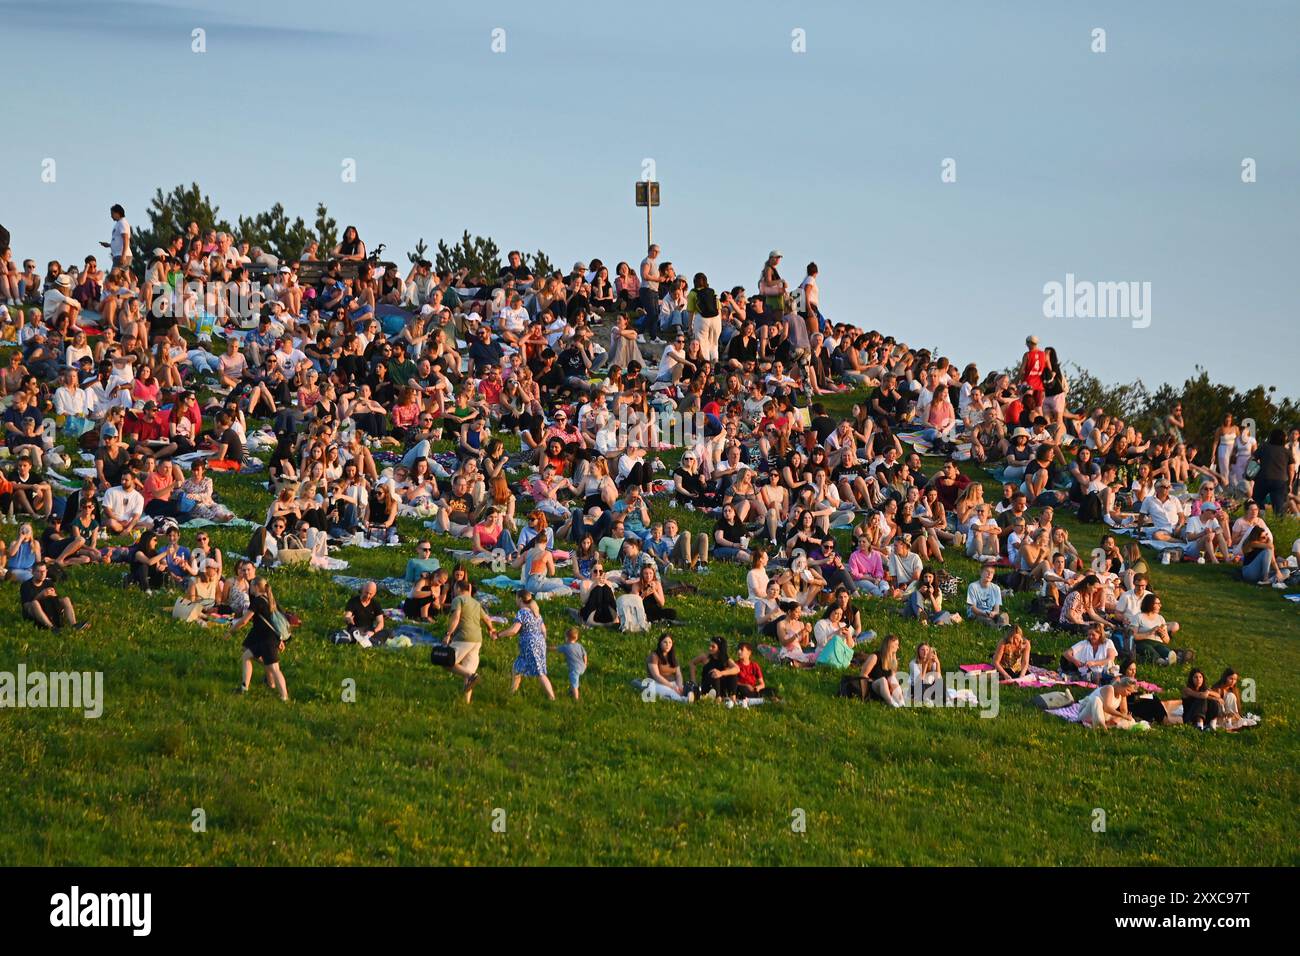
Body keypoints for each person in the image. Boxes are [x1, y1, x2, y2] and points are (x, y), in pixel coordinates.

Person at [231, 577, 289, 701]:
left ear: (256, 587)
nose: (250, 588)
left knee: (275, 669)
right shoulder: (270, 600)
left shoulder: (257, 601)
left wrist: (231, 631)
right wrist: (280, 640)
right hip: (265, 639)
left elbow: (245, 620)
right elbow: (277, 622)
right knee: (246, 656)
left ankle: (284, 697)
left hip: (268, 640)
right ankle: (244, 687)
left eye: (251, 585)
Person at [441, 578, 495, 703]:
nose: (453, 592)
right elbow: (487, 619)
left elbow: (456, 617)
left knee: (446, 661)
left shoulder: (458, 600)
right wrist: (491, 630)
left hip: (464, 637)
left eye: (454, 589)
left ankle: (472, 676)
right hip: (477, 640)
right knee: (467, 672)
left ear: (458, 589)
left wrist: (448, 634)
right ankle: (466, 703)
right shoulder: (476, 603)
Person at [497, 590, 554, 699]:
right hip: (539, 643)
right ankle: (512, 693)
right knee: (517, 667)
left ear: (520, 599)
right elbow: (544, 630)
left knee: (540, 672)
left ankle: (552, 697)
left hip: (530, 645)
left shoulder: (522, 612)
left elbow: (514, 630)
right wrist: (542, 644)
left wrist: (499, 635)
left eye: (516, 599)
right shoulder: (536, 613)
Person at [19, 561, 87, 630]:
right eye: (39, 571)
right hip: (33, 612)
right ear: (33, 572)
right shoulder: (26, 585)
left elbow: (55, 600)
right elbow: (26, 606)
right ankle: (52, 628)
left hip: (48, 607)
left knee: (65, 599)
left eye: (44, 571)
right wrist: (40, 595)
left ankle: (73, 624)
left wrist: (54, 595)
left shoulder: (48, 583)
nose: (42, 574)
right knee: (35, 603)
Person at [858, 633, 905, 706]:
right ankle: (891, 703)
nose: (898, 647)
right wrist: (864, 695)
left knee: (892, 678)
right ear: (890, 644)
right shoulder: (875, 657)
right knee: (883, 680)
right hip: (873, 686)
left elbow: (893, 678)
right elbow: (863, 674)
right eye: (896, 644)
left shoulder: (893, 660)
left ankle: (901, 702)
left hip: (886, 689)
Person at [690, 636, 740, 705]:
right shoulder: (705, 657)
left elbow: (737, 669)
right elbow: (692, 663)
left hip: (721, 687)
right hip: (708, 686)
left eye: (713, 647)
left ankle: (732, 698)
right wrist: (693, 680)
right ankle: (718, 699)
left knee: (732, 674)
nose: (710, 648)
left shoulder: (726, 659)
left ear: (719, 649)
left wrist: (721, 673)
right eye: (710, 646)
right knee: (714, 672)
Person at [642, 633, 690, 702]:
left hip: (673, 683)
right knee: (671, 692)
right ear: (660, 643)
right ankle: (683, 700)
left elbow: (678, 674)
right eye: (665, 642)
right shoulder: (654, 656)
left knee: (684, 689)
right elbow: (656, 676)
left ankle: (691, 696)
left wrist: (679, 686)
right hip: (657, 683)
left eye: (670, 642)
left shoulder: (673, 657)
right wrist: (672, 687)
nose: (668, 645)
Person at [965, 562, 1010, 627]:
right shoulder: (973, 586)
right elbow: (973, 608)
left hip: (990, 613)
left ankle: (1003, 626)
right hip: (977, 614)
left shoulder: (996, 588)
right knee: (987, 620)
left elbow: (996, 609)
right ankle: (998, 627)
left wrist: (993, 613)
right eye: (987, 571)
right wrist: (984, 613)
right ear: (981, 573)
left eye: (992, 572)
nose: (989, 574)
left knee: (1004, 615)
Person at [551, 626, 587, 700]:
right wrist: (585, 664)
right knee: (573, 680)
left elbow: (556, 649)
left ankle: (576, 699)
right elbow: (585, 655)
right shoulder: (579, 645)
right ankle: (571, 692)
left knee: (574, 684)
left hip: (575, 669)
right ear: (576, 638)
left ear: (567, 637)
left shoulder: (566, 647)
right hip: (583, 667)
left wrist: (546, 648)